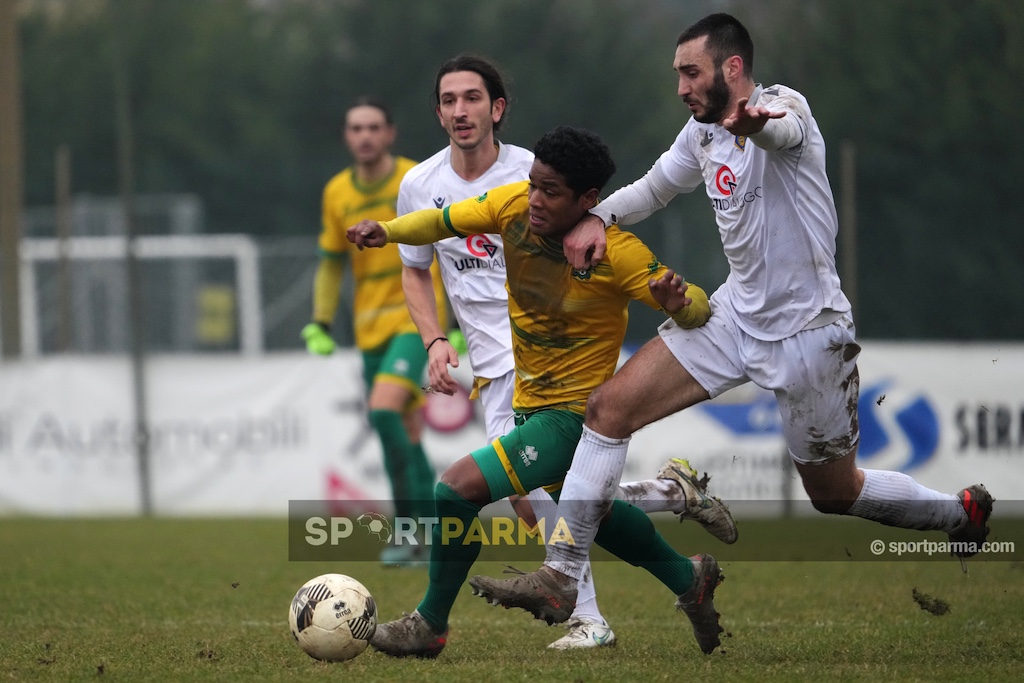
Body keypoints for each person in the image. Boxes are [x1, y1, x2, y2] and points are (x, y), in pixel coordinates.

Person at [467, 12, 995, 619]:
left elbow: (784, 134)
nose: (682, 87)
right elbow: (655, 188)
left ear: (733, 68)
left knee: (832, 493)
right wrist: (597, 217)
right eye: (678, 74)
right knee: (607, 410)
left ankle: (960, 514)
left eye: (691, 72)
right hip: (734, 317)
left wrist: (756, 125)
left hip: (810, 334)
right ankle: (561, 575)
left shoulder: (781, 108)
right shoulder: (703, 135)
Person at [347, 125, 729, 658]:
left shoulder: (616, 253)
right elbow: (438, 221)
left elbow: (699, 308)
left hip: (576, 418)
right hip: (530, 404)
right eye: (533, 185)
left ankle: (429, 624)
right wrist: (386, 231)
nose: (536, 200)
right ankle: (689, 579)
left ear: (588, 201)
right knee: (597, 515)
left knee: (453, 491)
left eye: (551, 191)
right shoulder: (511, 208)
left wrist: (676, 302)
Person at [301, 96, 448, 567]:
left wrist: (454, 327)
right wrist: (320, 321)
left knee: (383, 412)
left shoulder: (415, 178)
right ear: (347, 137)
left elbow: (449, 245)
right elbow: (330, 265)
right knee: (404, 430)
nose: (364, 136)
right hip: (368, 330)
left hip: (414, 320)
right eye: (355, 128)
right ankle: (425, 537)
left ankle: (412, 532)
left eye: (373, 127)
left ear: (390, 133)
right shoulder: (335, 193)